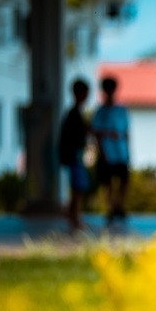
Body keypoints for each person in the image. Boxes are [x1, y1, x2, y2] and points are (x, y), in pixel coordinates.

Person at [90, 74, 130, 226]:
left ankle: (120, 206)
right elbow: (96, 132)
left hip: (121, 152)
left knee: (123, 181)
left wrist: (128, 151)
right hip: (107, 152)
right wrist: (102, 150)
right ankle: (111, 207)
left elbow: (126, 132)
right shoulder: (101, 111)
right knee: (108, 183)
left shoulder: (121, 110)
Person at [58, 78, 91, 232]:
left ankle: (74, 217)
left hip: (73, 155)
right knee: (77, 188)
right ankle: (74, 218)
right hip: (73, 156)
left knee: (77, 187)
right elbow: (70, 137)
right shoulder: (74, 114)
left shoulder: (75, 113)